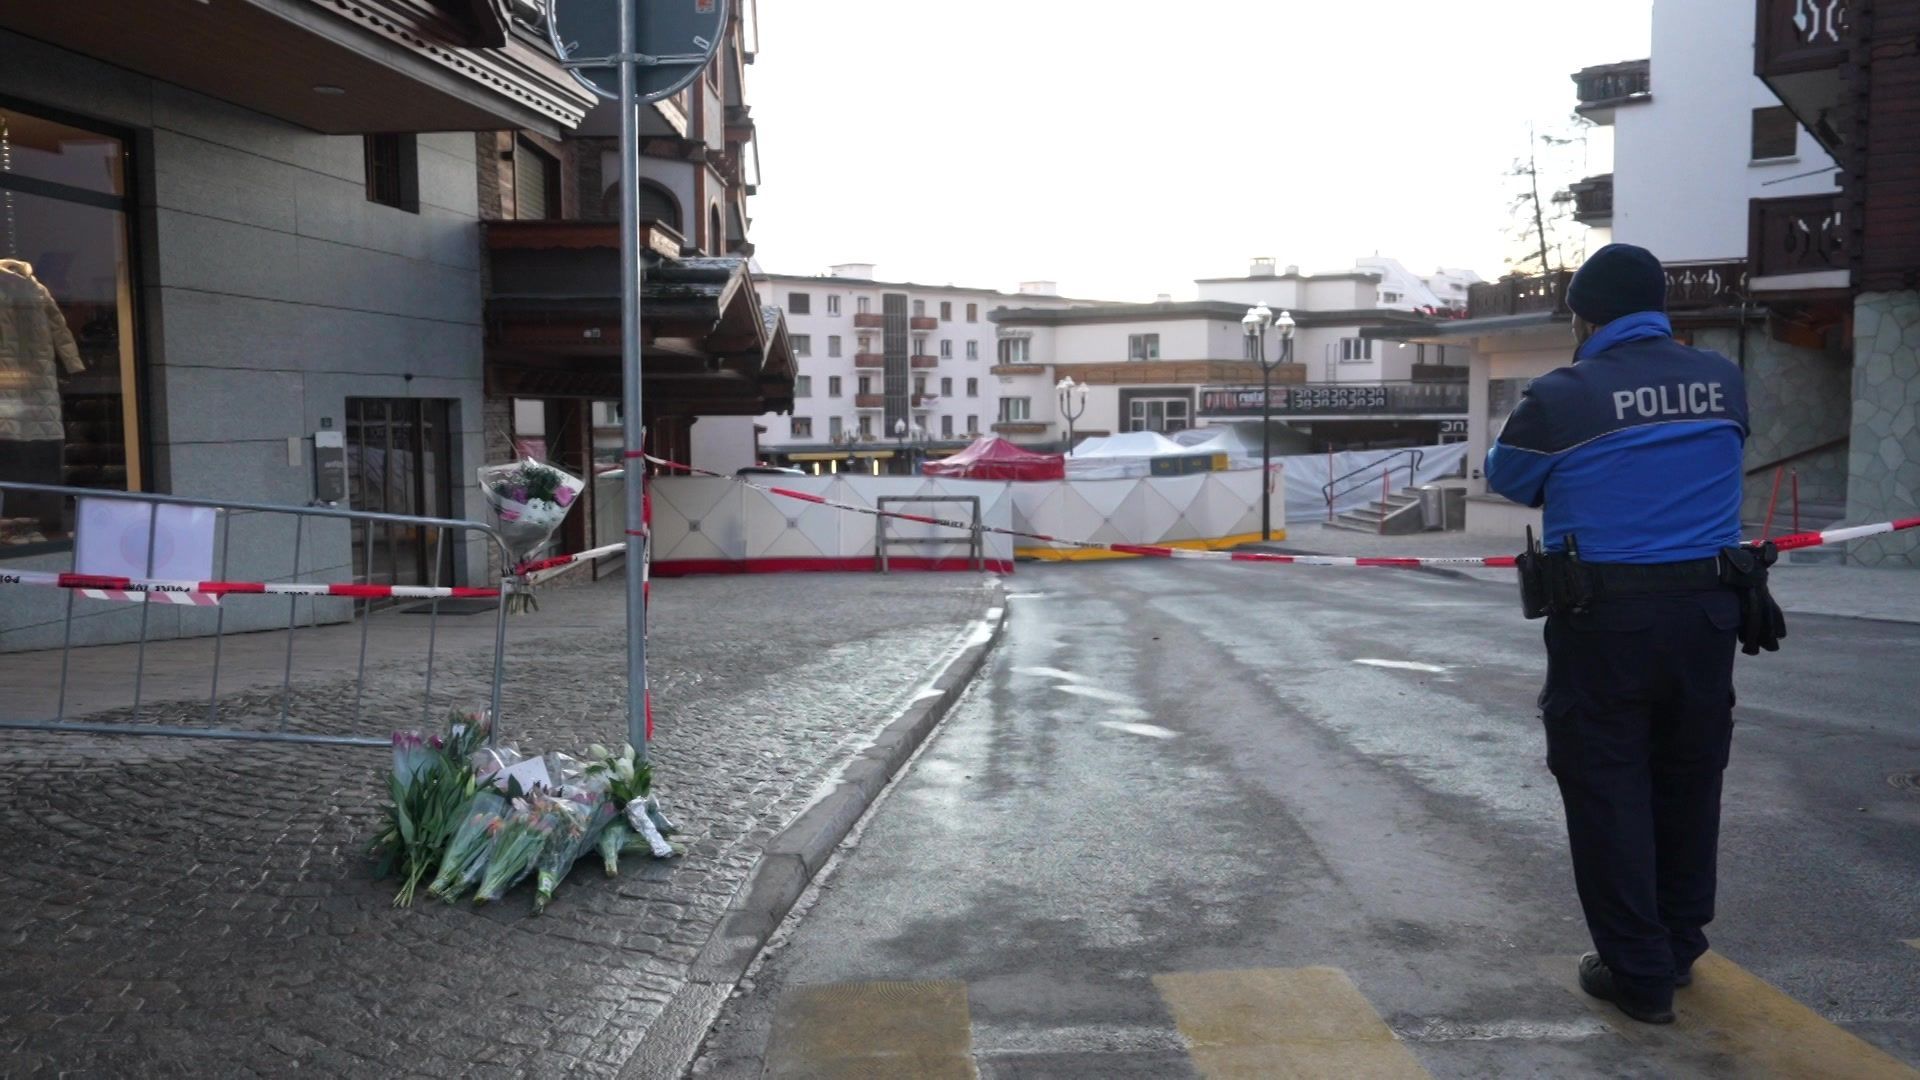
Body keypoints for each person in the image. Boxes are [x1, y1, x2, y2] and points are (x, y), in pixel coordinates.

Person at [1485, 243, 1780, 1025]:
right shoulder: (1722, 379)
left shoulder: (1563, 394)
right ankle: (1678, 945)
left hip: (1606, 617)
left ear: (1585, 315)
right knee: (1688, 776)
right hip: (1711, 612)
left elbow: (1508, 477)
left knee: (1608, 784)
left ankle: (1637, 972)